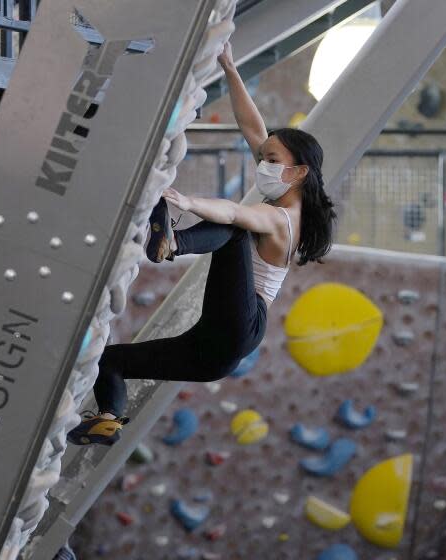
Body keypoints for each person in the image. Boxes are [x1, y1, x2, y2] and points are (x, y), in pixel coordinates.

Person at [67, 42, 337, 445]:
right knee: (112, 361)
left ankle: (172, 243)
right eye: (264, 157)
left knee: (235, 234)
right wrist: (230, 66)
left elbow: (232, 216)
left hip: (243, 324)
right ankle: (109, 417)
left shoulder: (282, 219)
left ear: (297, 172)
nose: (263, 164)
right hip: (218, 351)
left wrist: (187, 202)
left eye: (272, 159)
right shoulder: (282, 190)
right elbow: (252, 127)